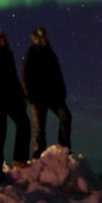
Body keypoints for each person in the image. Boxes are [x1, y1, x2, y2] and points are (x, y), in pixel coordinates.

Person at [0, 28, 30, 182]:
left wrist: (22, 96)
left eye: (4, 37)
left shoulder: (8, 56)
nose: (3, 40)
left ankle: (20, 160)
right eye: (0, 38)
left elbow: (14, 79)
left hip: (11, 99)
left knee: (24, 123)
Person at [21, 27, 72, 158]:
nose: (47, 38)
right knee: (39, 129)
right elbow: (25, 76)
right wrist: (30, 95)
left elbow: (58, 75)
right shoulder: (32, 53)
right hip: (37, 98)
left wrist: (62, 93)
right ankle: (38, 158)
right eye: (43, 36)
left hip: (53, 96)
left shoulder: (51, 55)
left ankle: (63, 149)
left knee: (66, 117)